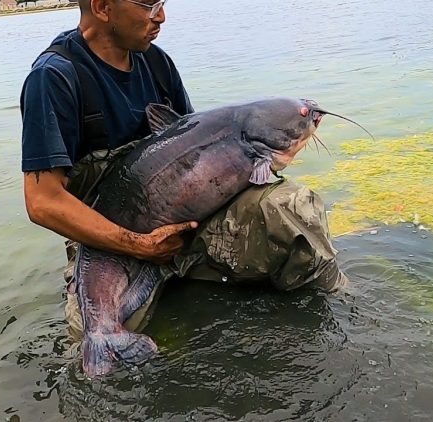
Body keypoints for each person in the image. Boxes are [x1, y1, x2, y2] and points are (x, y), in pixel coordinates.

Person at [21, 0, 347, 337]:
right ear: (103, 7)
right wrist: (138, 245)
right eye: (149, 5)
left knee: (292, 211)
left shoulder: (157, 62)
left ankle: (338, 313)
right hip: (108, 246)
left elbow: (200, 144)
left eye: (162, 3)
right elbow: (42, 202)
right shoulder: (54, 78)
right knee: (95, 340)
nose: (161, 16)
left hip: (191, 225)